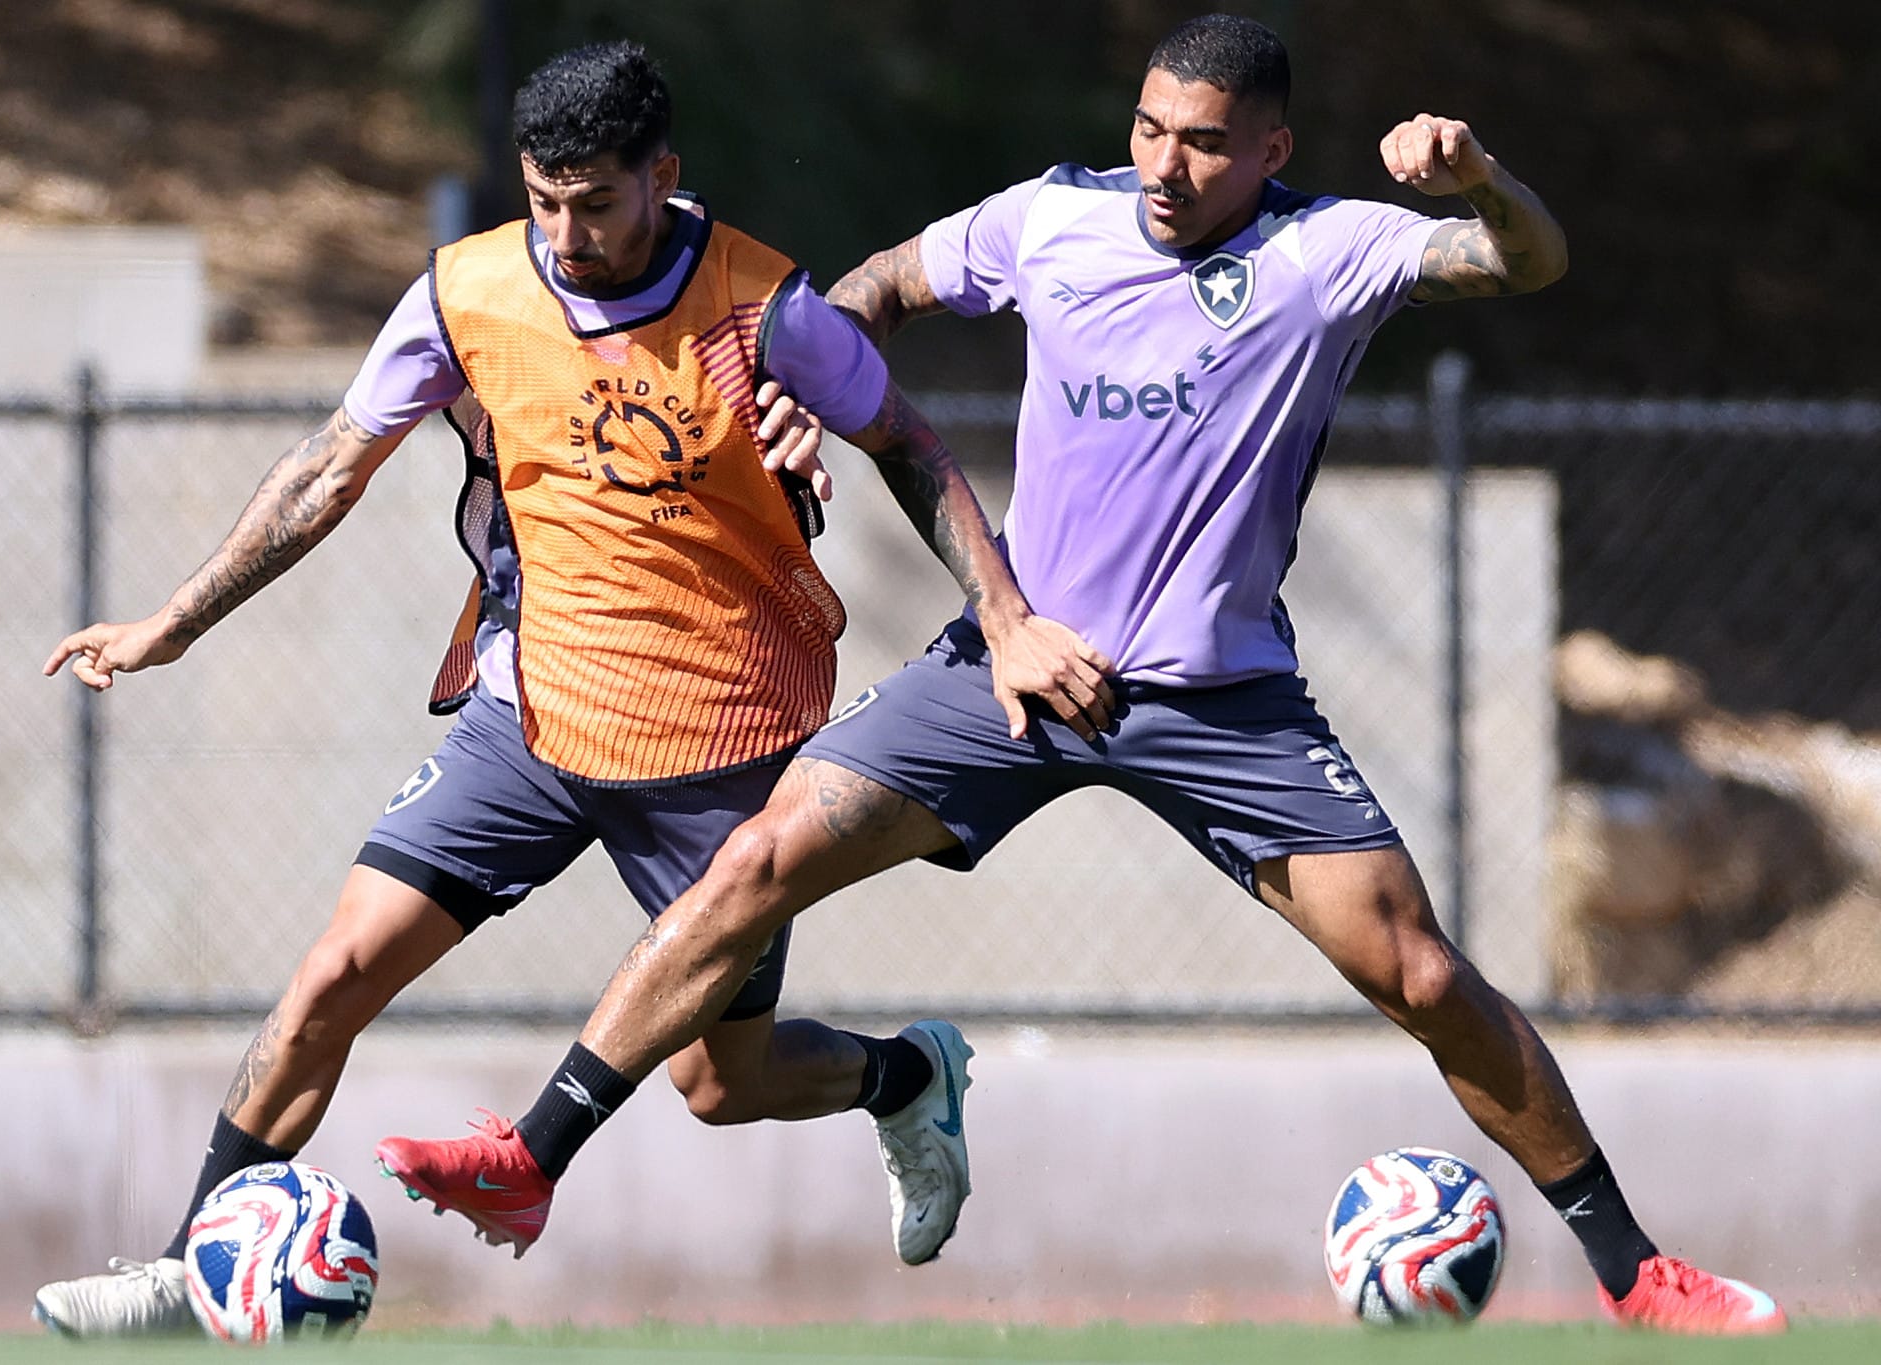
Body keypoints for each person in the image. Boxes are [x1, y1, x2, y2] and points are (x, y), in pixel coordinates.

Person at [379, 14, 1790, 1336]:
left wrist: (1481, 179)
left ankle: (1633, 1269)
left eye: (1206, 141)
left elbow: (1528, 262)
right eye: (1150, 128)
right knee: (753, 865)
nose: (1165, 164)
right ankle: (531, 1153)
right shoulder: (1054, 216)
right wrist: (804, 388)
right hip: (1014, 661)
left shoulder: (1333, 252)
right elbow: (875, 286)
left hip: (1218, 699)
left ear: (1272, 154)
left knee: (1420, 969)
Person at [30, 40, 1111, 1337]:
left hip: (723, 735)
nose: (566, 232)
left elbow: (912, 446)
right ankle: (177, 1263)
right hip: (530, 712)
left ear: (662, 176)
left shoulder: (762, 305)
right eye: (544, 201)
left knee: (725, 1081)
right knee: (334, 972)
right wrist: (174, 622)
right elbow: (330, 466)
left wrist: (1005, 619)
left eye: (593, 203)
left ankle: (902, 1072)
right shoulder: (469, 292)